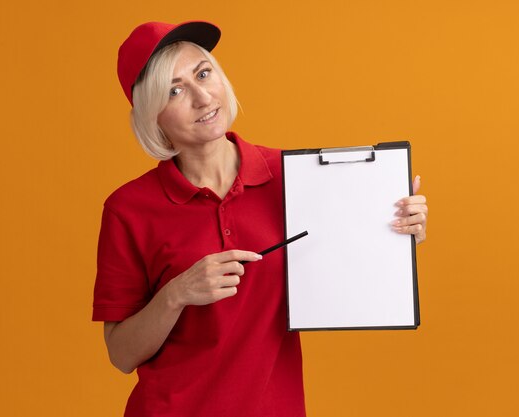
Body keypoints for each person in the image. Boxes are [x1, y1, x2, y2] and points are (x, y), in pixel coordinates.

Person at [92, 20, 428, 417]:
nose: (203, 97)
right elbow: (121, 354)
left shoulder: (296, 178)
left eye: (204, 73)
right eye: (174, 90)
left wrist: (395, 230)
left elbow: (349, 272)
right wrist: (177, 294)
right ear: (152, 116)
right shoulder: (128, 209)